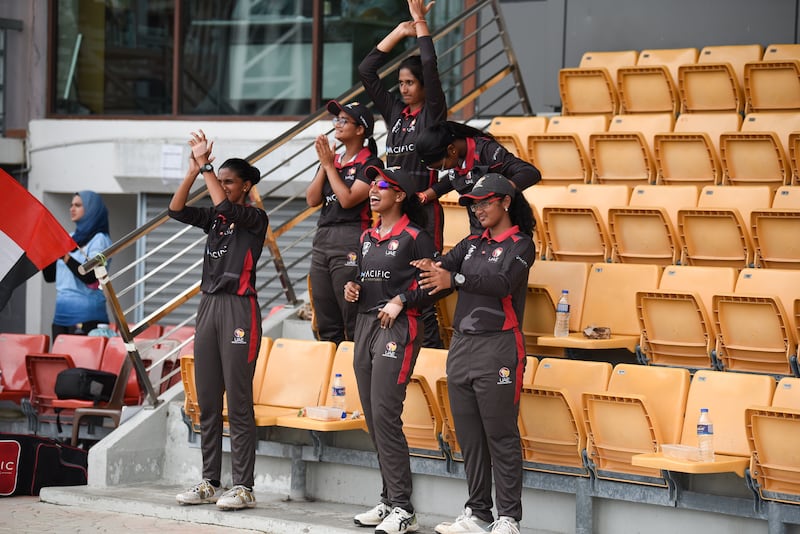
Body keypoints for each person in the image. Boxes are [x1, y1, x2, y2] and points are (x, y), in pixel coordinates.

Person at [411, 174, 536, 534]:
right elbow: (442, 267)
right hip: (462, 345)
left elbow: (502, 285)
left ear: (506, 202)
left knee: (501, 434)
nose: (478, 208)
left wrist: (455, 280)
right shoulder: (470, 243)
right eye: (473, 203)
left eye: (484, 201)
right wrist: (427, 267)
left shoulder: (521, 245)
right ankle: (478, 513)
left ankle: (508, 517)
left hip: (499, 345)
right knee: (469, 435)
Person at [345, 165, 448, 534]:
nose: (373, 190)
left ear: (400, 195)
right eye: (371, 184)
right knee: (373, 418)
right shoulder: (367, 236)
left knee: (386, 415)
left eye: (382, 185)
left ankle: (404, 508)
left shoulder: (416, 237)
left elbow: (437, 284)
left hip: (398, 327)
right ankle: (389, 499)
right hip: (365, 325)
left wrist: (403, 299)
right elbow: (361, 277)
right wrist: (352, 288)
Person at [169, 130, 268, 511]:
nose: (223, 186)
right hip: (208, 306)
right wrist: (194, 170)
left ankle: (244, 486)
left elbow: (226, 208)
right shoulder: (215, 217)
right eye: (220, 180)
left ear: (245, 187)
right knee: (208, 400)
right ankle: (210, 480)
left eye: (229, 182)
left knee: (238, 401)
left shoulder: (254, 217)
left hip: (239, 309)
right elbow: (176, 210)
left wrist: (208, 166)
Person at [358, 0, 447, 348]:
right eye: (401, 82)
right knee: (395, 281)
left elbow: (430, 64)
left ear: (425, 87)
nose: (405, 88)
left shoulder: (434, 113)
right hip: (394, 210)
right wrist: (400, 31)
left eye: (411, 82)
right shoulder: (396, 111)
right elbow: (367, 70)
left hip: (422, 209)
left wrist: (421, 24)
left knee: (422, 284)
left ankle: (432, 354)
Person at [306, 100, 383, 345]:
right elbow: (312, 199)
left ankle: (353, 373)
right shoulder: (333, 160)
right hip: (323, 238)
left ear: (360, 129)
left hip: (350, 237)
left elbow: (348, 199)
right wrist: (327, 164)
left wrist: (329, 166)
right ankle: (331, 375)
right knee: (324, 310)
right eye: (335, 120)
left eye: (343, 120)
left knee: (350, 311)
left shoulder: (370, 163)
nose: (336, 125)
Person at [415, 120, 541, 235]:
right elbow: (453, 179)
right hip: (479, 231)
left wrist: (501, 189)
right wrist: (424, 196)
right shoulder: (455, 160)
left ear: (451, 150)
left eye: (441, 167)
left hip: (506, 231)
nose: (444, 170)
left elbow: (530, 172)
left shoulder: (487, 151)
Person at [43, 191, 112, 341]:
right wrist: (46, 253)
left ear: (92, 209)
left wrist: (64, 255)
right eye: (71, 205)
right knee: (62, 363)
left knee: (81, 363)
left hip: (88, 318)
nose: (72, 209)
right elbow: (50, 277)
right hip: (60, 318)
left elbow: (90, 275)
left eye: (78, 205)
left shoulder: (99, 240)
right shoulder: (70, 238)